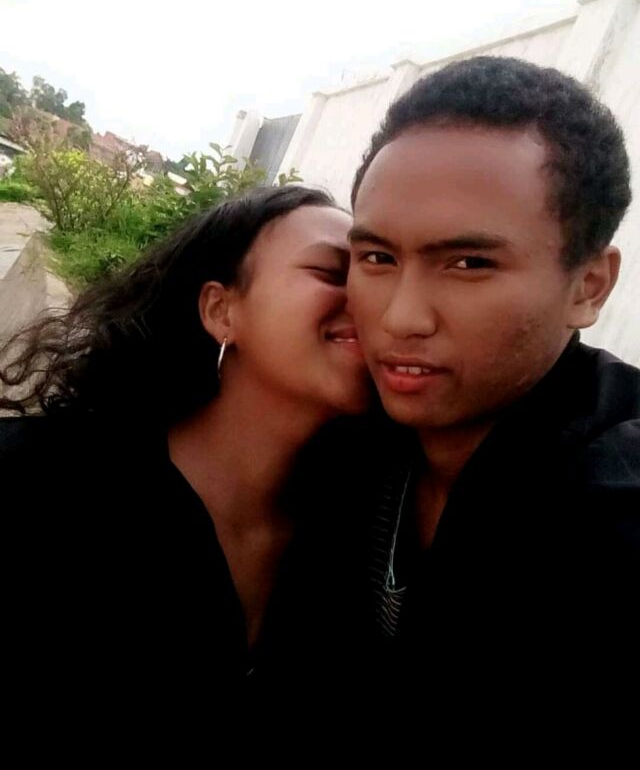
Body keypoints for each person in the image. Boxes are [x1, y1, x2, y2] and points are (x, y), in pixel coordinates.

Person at [0, 185, 372, 710]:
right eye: (333, 273)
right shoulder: (41, 482)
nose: (370, 301)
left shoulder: (359, 541)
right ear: (221, 310)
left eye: (377, 273)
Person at [345, 56, 640, 698]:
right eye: (377, 256)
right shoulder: (345, 431)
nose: (401, 318)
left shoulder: (611, 513)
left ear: (589, 286)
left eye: (470, 263)